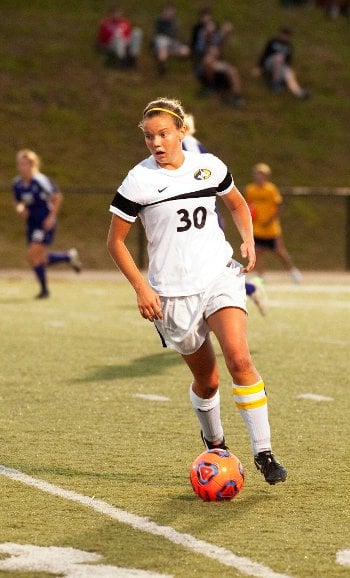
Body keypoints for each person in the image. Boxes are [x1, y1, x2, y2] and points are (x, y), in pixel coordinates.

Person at [107, 97, 287, 485]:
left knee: (239, 359)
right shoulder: (138, 181)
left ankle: (264, 452)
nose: (156, 142)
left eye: (164, 134)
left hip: (218, 275)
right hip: (172, 294)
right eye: (149, 136)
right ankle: (215, 442)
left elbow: (238, 205)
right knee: (208, 381)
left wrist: (249, 241)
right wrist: (142, 288)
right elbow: (115, 243)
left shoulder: (209, 166)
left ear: (181, 133)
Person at [182, 113, 267, 315]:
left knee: (210, 263)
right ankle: (248, 289)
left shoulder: (189, 144)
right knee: (199, 264)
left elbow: (202, 180)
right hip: (193, 215)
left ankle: (248, 288)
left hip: (201, 216)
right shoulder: (182, 146)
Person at [13, 149, 82, 299]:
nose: (21, 167)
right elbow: (18, 202)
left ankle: (44, 291)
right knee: (37, 259)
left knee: (32, 255)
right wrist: (20, 209)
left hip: (44, 222)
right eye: (20, 164)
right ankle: (67, 257)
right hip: (31, 223)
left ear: (32, 165)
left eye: (25, 163)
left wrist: (51, 217)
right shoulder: (17, 183)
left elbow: (57, 197)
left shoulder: (40, 180)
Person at [245, 163, 302, 283]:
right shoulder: (250, 189)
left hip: (271, 228)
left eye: (261, 174)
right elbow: (248, 205)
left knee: (279, 252)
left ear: (266, 176)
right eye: (256, 173)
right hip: (257, 227)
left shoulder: (271, 189)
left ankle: (293, 272)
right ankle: (261, 276)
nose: (258, 176)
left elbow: (279, 206)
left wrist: (270, 220)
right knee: (257, 252)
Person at [253, 27, 309, 100]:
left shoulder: (289, 46)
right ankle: (275, 83)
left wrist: (287, 70)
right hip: (269, 63)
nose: (285, 37)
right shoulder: (272, 42)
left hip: (281, 66)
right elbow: (264, 55)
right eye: (284, 34)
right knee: (278, 58)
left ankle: (298, 92)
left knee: (289, 73)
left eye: (287, 36)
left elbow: (288, 61)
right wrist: (259, 67)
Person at [152, 5, 190, 75]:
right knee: (162, 46)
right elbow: (160, 32)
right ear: (164, 12)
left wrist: (183, 42)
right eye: (168, 12)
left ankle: (168, 54)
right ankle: (162, 65)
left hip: (172, 41)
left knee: (185, 51)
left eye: (172, 13)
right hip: (162, 39)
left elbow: (176, 35)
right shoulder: (160, 21)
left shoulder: (175, 22)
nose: (170, 14)